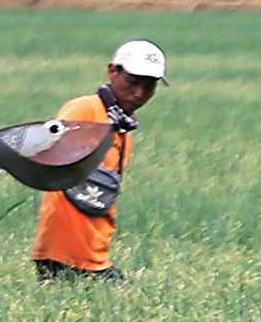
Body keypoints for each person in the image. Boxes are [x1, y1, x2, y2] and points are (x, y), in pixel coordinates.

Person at [35, 38, 164, 283]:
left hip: (95, 251)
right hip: (63, 252)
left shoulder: (123, 130)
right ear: (113, 71)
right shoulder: (85, 109)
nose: (139, 93)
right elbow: (52, 152)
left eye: (149, 87)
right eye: (133, 82)